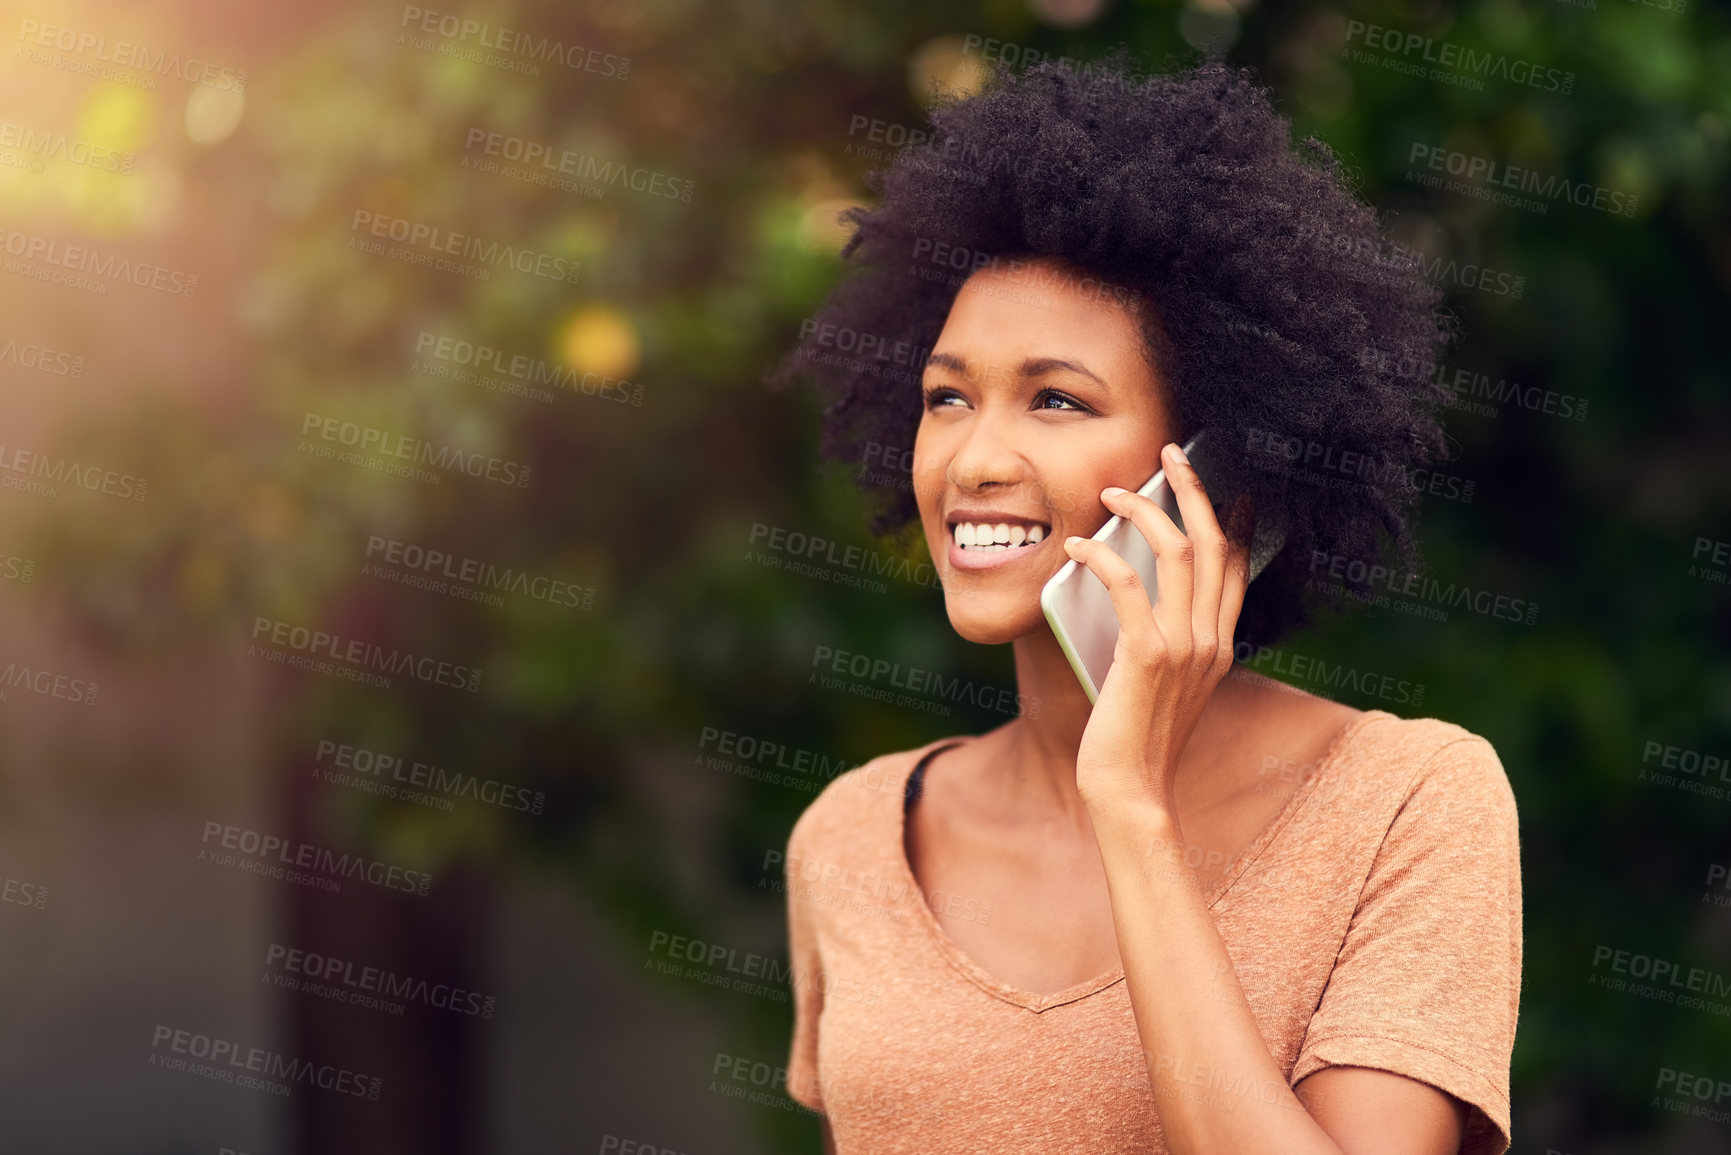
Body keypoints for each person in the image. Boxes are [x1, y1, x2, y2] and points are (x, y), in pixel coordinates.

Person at [770, 54, 1521, 1155]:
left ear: (1219, 472)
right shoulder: (850, 840)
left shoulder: (1410, 803)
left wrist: (1129, 805)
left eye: (1057, 399)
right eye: (947, 397)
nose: (975, 458)